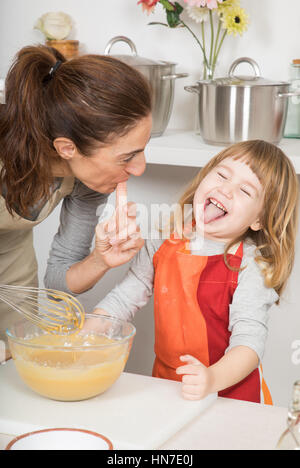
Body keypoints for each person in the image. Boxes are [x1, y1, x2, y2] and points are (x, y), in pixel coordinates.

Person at [93, 140, 299, 404]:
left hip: (231, 397)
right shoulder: (162, 240)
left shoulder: (252, 266)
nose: (226, 188)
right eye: (222, 175)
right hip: (167, 388)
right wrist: (87, 334)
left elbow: (249, 344)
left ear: (259, 219)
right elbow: (123, 300)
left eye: (246, 191)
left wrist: (211, 379)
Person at [0, 44, 152, 354]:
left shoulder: (87, 181)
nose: (140, 168)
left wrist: (100, 260)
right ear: (67, 147)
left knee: (17, 359)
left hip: (11, 257)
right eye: (128, 157)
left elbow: (58, 284)